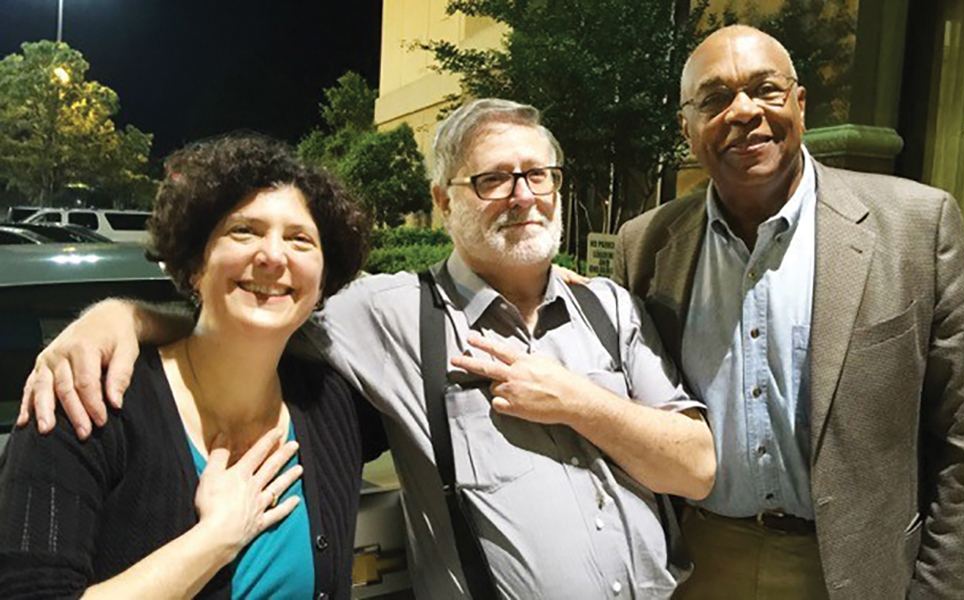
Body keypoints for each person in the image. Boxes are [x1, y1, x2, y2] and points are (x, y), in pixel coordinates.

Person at [18, 99, 715, 599]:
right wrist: (115, 316)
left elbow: (697, 469)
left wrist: (580, 404)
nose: (523, 195)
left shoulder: (607, 307)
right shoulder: (385, 316)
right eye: (492, 178)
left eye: (539, 175)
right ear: (444, 203)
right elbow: (246, 320)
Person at [611, 25, 964, 599]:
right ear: (687, 129)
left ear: (800, 102)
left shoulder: (917, 227)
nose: (743, 112)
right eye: (715, 99)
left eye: (766, 90)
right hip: (697, 564)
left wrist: (942, 591)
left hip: (857, 571)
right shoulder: (645, 247)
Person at [0, 135, 384, 599]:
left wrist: (129, 313)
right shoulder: (85, 406)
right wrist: (215, 538)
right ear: (194, 265)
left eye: (300, 239)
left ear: (323, 282)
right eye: (244, 230)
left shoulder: (332, 405)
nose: (274, 255)